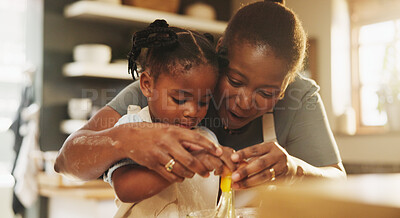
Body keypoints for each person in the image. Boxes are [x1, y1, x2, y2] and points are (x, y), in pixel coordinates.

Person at [55, 0, 345, 196]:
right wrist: (127, 139)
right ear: (221, 53)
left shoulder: (300, 96)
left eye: (266, 93)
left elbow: (337, 182)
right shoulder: (171, 86)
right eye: (235, 80)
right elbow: (66, 161)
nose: (245, 102)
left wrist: (294, 169)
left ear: (285, 87)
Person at [101, 19, 234, 217]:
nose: (192, 112)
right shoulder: (132, 128)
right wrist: (186, 164)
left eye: (204, 102)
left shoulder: (206, 140)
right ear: (147, 84)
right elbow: (125, 188)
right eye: (180, 99)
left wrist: (229, 167)